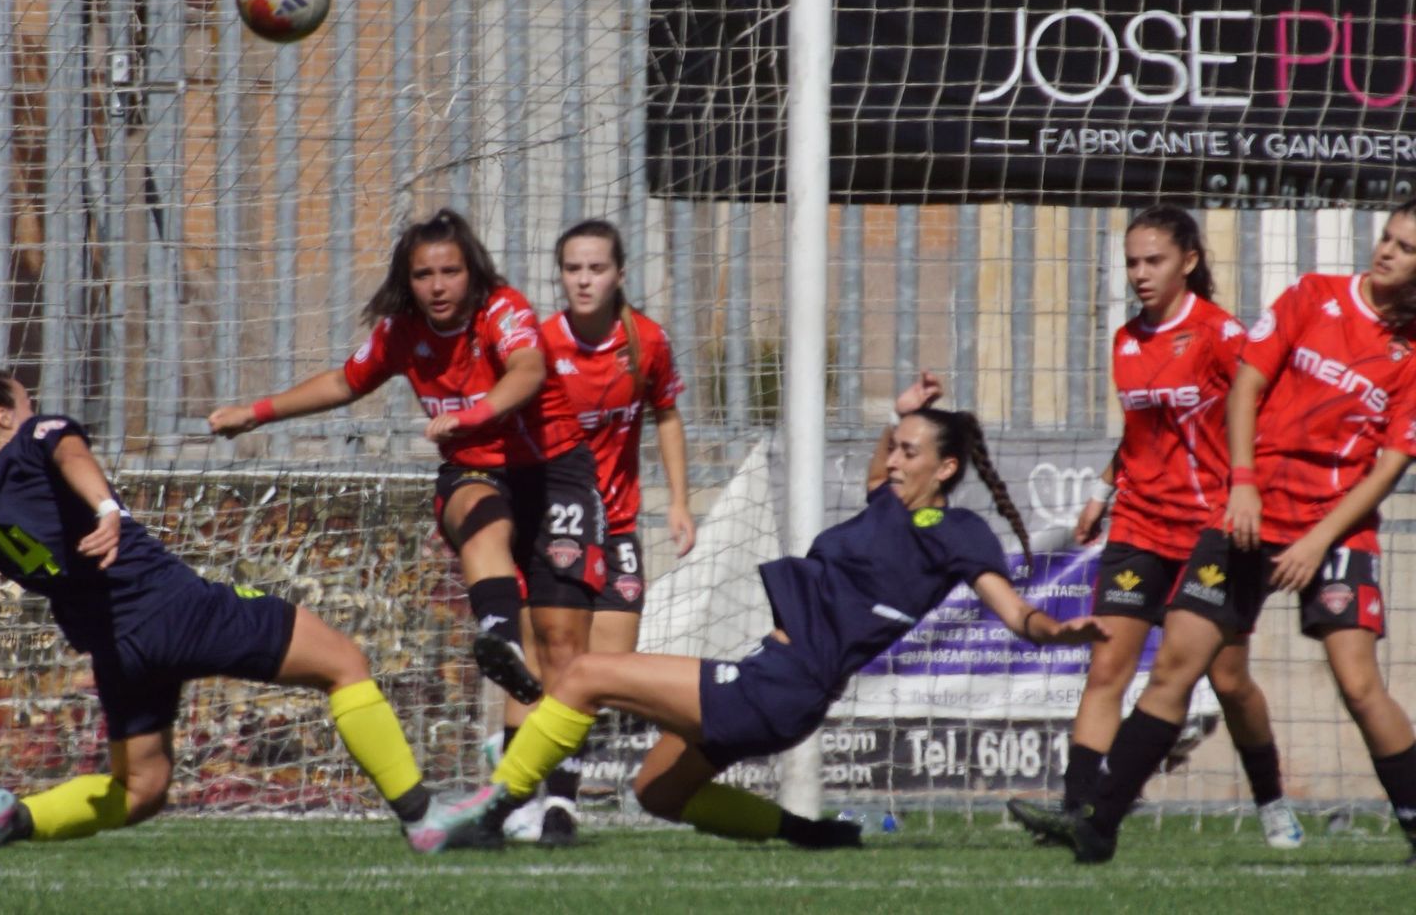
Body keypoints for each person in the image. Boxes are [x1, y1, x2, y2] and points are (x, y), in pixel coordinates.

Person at [417, 373, 1109, 852]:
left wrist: (1058, 630)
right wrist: (899, 414)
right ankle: (809, 833)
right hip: (776, 681)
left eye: (909, 451)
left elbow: (1016, 615)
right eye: (894, 448)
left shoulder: (958, 536)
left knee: (584, 675)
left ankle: (491, 808)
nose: (893, 460)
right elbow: (876, 478)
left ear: (948, 468)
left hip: (779, 687)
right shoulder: (889, 506)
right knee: (656, 793)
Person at [1012, 201, 1416, 865]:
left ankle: (1391, 818)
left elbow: (1389, 468)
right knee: (1174, 668)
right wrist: (1245, 483)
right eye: (1388, 238)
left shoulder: (1408, 355)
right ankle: (1095, 824)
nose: (1388, 252)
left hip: (1336, 528)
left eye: (1406, 248)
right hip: (1245, 515)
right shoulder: (1314, 296)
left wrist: (1319, 541)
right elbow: (1248, 387)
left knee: (1355, 683)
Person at [0, 371, 448, 851]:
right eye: (24, 401)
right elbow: (71, 455)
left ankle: (12, 819)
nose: (34, 408)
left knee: (141, 789)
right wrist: (107, 509)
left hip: (115, 643)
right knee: (343, 663)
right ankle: (423, 819)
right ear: (2, 416)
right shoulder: (37, 436)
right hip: (171, 606)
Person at [208, 209, 607, 717]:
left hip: (554, 471)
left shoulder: (502, 311)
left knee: (561, 643)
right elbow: (343, 383)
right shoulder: (401, 332)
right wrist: (256, 413)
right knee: (481, 519)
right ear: (407, 280)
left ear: (472, 272)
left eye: (450, 272)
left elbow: (527, 369)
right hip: (475, 469)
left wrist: (476, 413)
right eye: (423, 275)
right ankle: (500, 640)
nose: (438, 287)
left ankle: (560, 797)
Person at [1053, 206, 1301, 847]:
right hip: (1139, 521)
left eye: (1153, 260)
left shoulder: (1221, 334)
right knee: (1108, 664)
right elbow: (1142, 436)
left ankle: (1271, 798)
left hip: (1211, 530)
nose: (1139, 274)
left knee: (1228, 680)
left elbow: (1264, 416)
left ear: (1188, 262)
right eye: (1132, 261)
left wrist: (1254, 494)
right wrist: (1103, 493)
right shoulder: (1126, 339)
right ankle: (1076, 812)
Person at [495, 219, 695, 845]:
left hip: (620, 523)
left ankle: (545, 797)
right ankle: (532, 800)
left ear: (619, 274)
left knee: (604, 669)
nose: (583, 280)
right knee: (549, 661)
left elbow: (666, 414)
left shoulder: (648, 342)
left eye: (596, 268)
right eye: (573, 269)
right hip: (553, 520)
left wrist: (680, 503)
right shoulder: (540, 345)